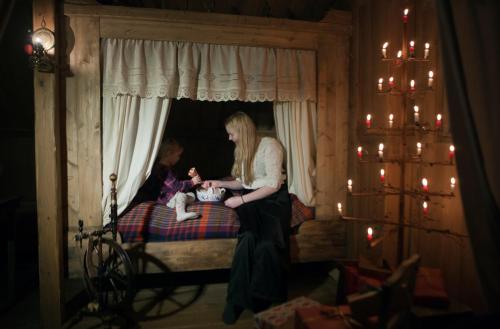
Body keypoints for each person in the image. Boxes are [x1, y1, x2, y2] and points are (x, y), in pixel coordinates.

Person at [202, 111, 291, 324]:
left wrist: (241, 201)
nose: (229, 138)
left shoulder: (270, 146)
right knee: (248, 237)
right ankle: (236, 300)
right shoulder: (241, 150)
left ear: (241, 130)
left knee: (268, 244)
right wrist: (220, 183)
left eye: (231, 133)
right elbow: (243, 182)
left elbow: (272, 184)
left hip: (274, 199)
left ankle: (263, 300)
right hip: (252, 199)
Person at [156, 139, 202, 222]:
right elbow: (176, 187)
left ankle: (181, 203)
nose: (179, 158)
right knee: (181, 195)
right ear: (169, 154)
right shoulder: (163, 170)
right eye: (178, 155)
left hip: (172, 196)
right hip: (167, 200)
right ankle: (180, 214)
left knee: (191, 195)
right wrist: (192, 182)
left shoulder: (168, 168)